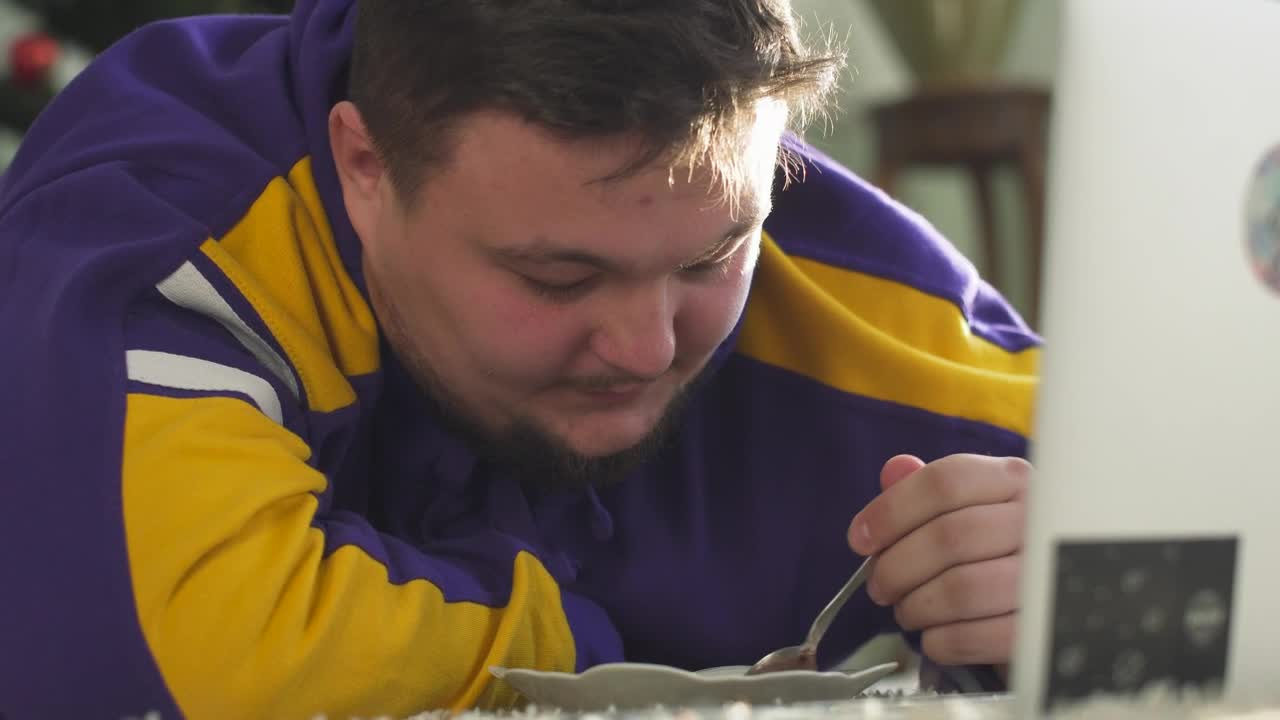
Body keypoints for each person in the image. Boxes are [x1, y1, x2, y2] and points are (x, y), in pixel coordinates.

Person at [0, 0, 1039, 717]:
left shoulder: (820, 268)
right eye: (557, 277)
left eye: (712, 258)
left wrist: (1047, 589)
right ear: (364, 165)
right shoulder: (166, 215)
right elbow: (161, 666)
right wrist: (598, 658)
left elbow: (1113, 535)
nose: (647, 347)